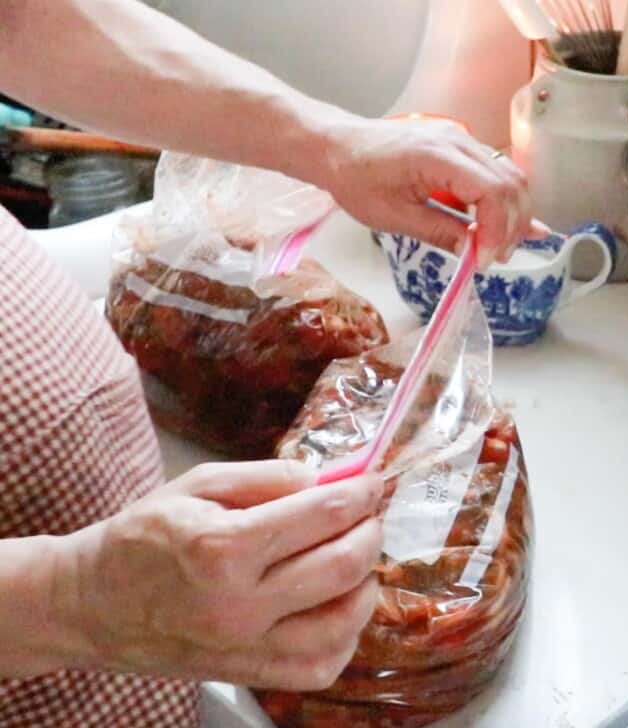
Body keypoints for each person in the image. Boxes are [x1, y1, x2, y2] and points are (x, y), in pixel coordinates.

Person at [0, 1, 538, 725]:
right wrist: (70, 599)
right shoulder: (81, 604)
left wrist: (330, 143)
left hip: (132, 642)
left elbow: (20, 21)